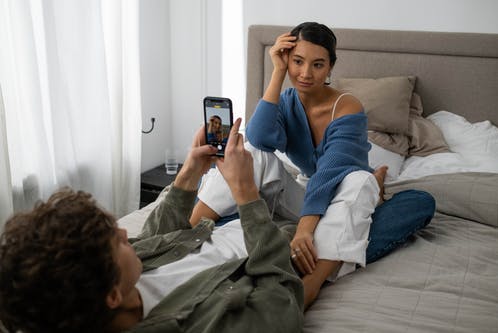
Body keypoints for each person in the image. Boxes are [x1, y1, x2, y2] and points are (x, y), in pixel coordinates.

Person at [190, 22, 435, 308]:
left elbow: (330, 173)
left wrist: (305, 230)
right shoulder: (286, 100)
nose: (305, 74)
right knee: (251, 153)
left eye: (318, 65)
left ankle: (311, 284)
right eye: (297, 62)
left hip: (339, 193)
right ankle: (188, 230)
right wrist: (277, 73)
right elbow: (258, 139)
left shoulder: (347, 107)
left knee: (374, 186)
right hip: (305, 196)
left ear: (331, 67)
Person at [0, 118, 304, 333]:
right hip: (278, 240)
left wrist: (189, 173)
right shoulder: (197, 324)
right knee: (350, 187)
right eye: (117, 242)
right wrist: (246, 196)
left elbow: (155, 239)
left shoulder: (112, 276)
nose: (124, 233)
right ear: (112, 297)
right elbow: (281, 302)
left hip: (228, 225)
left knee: (253, 153)